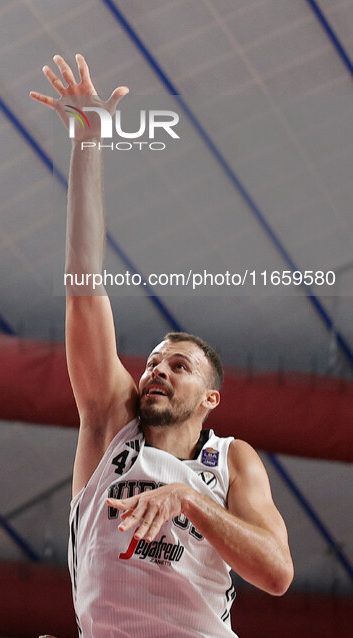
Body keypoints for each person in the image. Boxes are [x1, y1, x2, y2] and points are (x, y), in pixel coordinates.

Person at [30, 54, 293, 638]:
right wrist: (88, 141)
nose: (157, 370)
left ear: (210, 400)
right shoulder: (108, 424)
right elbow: (83, 286)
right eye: (152, 361)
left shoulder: (231, 461)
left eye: (180, 365)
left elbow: (276, 573)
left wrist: (189, 499)